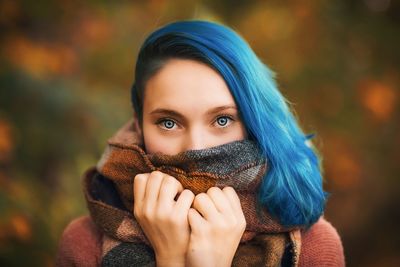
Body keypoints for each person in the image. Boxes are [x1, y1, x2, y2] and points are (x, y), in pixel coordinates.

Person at [56, 20, 345, 266]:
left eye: (222, 120)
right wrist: (170, 259)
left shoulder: (313, 248)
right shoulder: (84, 244)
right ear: (139, 122)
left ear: (253, 122)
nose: (197, 147)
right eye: (169, 122)